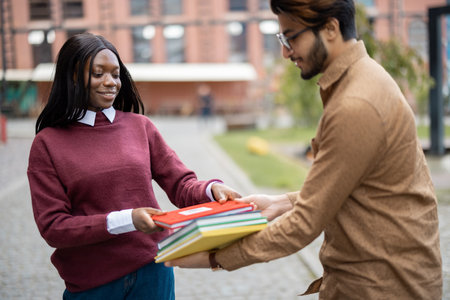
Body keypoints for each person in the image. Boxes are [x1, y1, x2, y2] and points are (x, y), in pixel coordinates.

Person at [165, 0, 443, 299]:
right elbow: (354, 186)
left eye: (292, 37)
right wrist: (280, 202)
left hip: (382, 285)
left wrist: (215, 258)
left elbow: (303, 225)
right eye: (282, 39)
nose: (285, 52)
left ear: (330, 28)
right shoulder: (364, 79)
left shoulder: (356, 103)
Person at [27, 32, 240, 300]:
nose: (110, 82)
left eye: (115, 74)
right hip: (92, 284)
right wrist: (128, 220)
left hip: (154, 273)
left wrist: (212, 190)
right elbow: (54, 227)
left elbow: (181, 184)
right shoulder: (47, 144)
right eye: (97, 73)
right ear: (72, 77)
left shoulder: (141, 127)